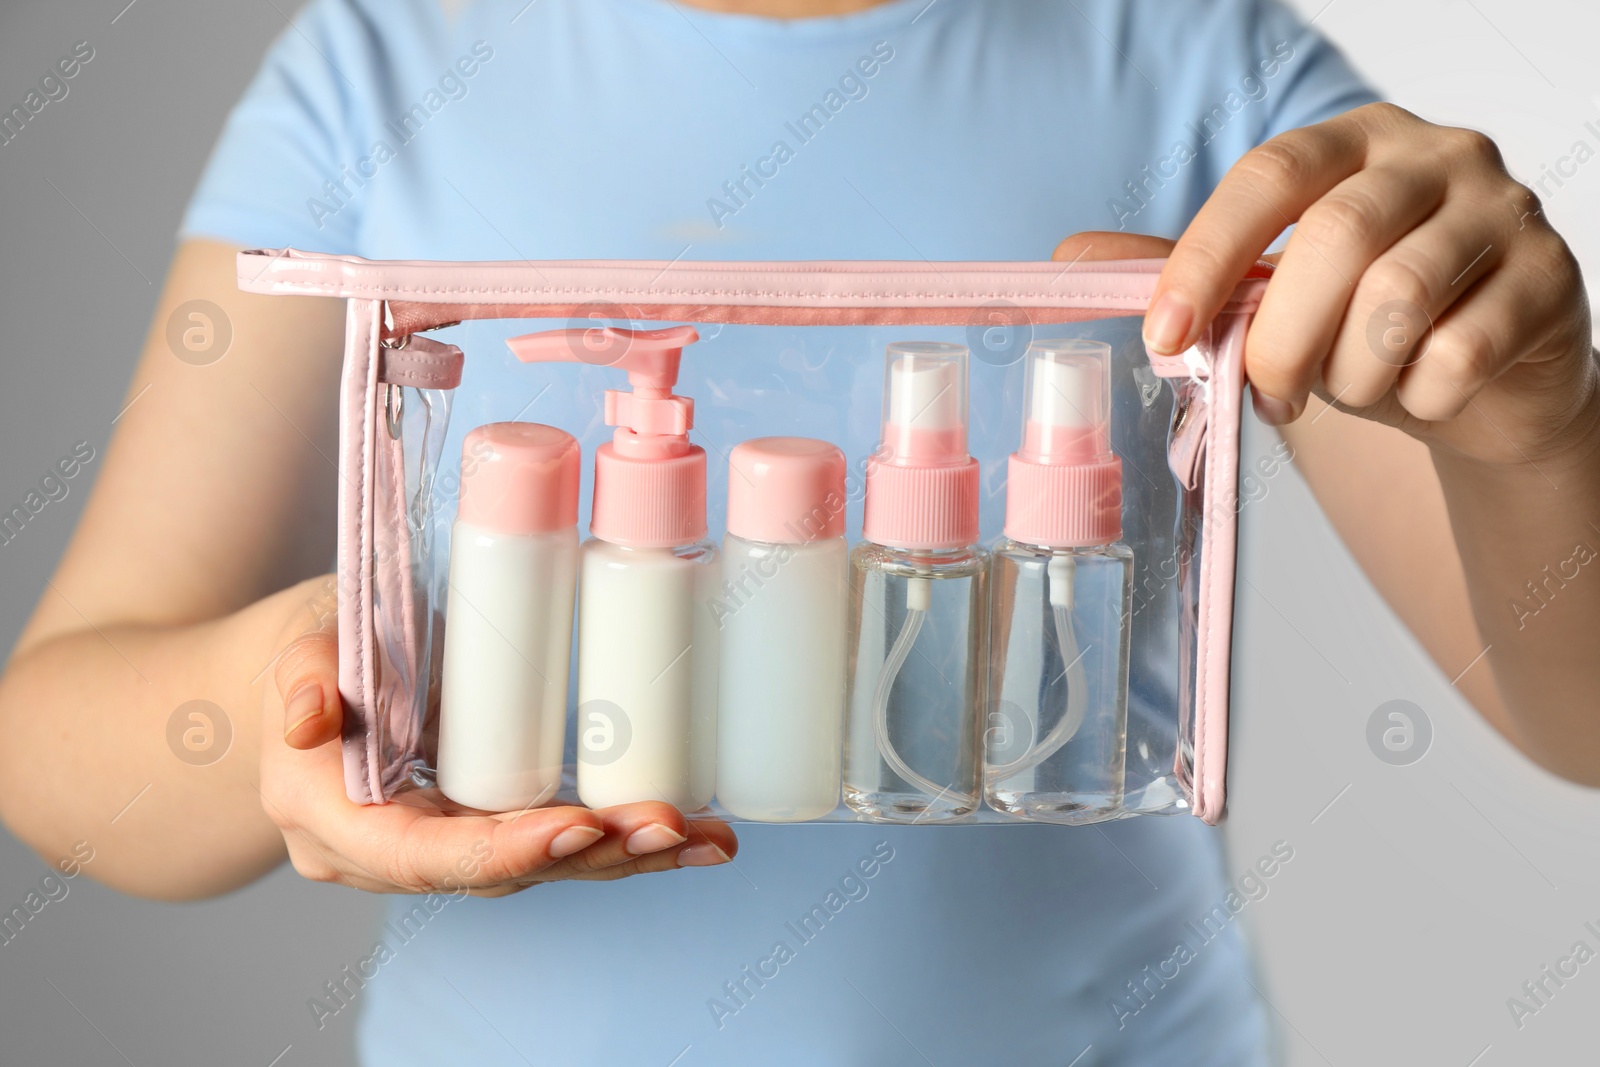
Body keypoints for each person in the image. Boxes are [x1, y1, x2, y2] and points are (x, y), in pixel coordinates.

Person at [0, 0, 1594, 1062]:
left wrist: (1540, 418)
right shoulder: (388, 54)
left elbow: (1578, 714)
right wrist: (308, 688)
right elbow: (58, 741)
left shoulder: (1193, 59)